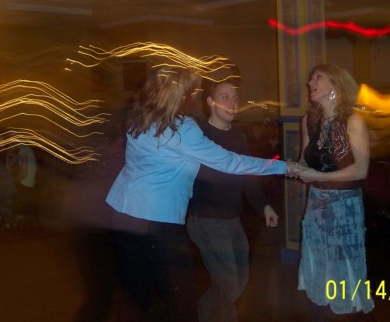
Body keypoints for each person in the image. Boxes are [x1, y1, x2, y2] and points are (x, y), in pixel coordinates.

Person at [105, 67, 293, 321]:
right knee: (181, 299)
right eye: (191, 92)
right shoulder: (184, 130)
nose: (194, 97)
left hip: (122, 215)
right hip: (157, 221)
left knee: (136, 295)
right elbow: (231, 163)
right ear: (180, 96)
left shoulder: (138, 120)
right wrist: (284, 166)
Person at [186, 79, 279, 322]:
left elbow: (247, 174)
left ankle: (205, 315)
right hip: (206, 219)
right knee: (227, 281)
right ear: (210, 102)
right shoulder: (199, 134)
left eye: (235, 98)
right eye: (225, 97)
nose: (232, 103)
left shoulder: (238, 134)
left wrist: (264, 205)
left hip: (231, 218)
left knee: (238, 280)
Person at [290, 63, 374, 317]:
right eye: (310, 79)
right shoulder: (309, 121)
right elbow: (306, 160)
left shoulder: (353, 121)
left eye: (317, 78)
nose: (310, 83)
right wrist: (295, 167)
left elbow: (360, 170)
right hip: (316, 203)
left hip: (343, 206)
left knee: (343, 266)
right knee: (318, 262)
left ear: (335, 84)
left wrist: (316, 175)